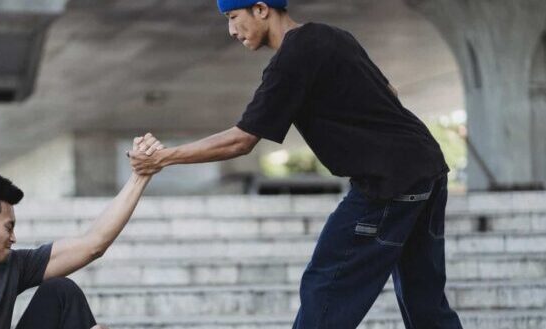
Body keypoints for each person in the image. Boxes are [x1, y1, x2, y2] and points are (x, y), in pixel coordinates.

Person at [129, 1, 464, 328]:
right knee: (425, 301)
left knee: (326, 285)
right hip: (428, 167)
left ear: (261, 9)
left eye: (233, 17)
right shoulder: (333, 36)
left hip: (388, 181)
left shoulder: (291, 58)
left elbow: (242, 140)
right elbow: (389, 91)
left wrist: (163, 157)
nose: (231, 30)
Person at [0, 136, 164, 329]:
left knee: (61, 292)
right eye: (8, 227)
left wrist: (140, 177)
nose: (14, 238)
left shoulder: (10, 266)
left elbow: (92, 244)